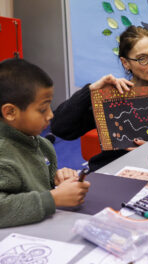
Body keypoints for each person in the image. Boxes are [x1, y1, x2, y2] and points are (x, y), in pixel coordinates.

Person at [50, 26, 148, 171]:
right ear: (125, 63)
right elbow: (60, 128)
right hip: (110, 173)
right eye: (142, 58)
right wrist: (90, 90)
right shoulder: (113, 97)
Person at [0, 58, 90, 228]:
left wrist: (57, 180)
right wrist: (53, 198)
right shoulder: (3, 153)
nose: (50, 115)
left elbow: (36, 185)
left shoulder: (42, 145)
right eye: (42, 109)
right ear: (10, 112)